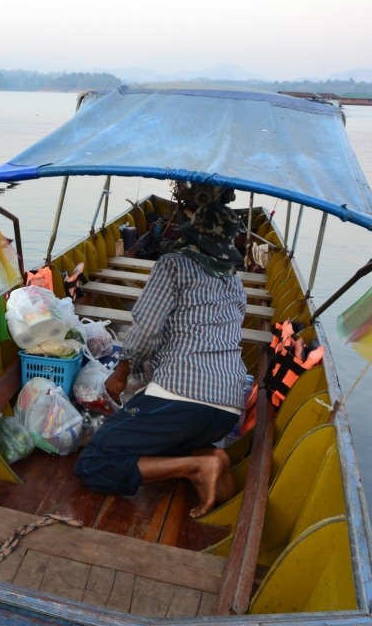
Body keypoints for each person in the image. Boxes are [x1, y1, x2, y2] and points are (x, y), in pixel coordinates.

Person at [73, 190, 246, 518]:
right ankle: (207, 456)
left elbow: (146, 330)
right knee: (162, 435)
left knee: (94, 463)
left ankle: (199, 464)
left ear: (192, 237)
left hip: (180, 399)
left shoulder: (174, 265)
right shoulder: (234, 283)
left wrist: (120, 374)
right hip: (226, 410)